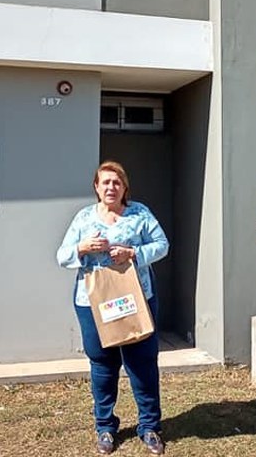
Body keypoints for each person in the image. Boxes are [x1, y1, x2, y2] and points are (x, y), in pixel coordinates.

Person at [57, 161, 170, 455]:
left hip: (136, 298)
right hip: (93, 303)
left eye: (116, 182)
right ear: (96, 187)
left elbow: (162, 245)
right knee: (103, 364)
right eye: (105, 182)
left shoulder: (140, 213)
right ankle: (105, 427)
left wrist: (133, 252)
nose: (111, 187)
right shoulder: (83, 218)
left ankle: (150, 426)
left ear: (125, 188)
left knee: (142, 363)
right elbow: (62, 255)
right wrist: (82, 248)